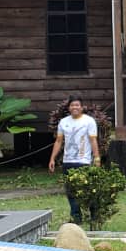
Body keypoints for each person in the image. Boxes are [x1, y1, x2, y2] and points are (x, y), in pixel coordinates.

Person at [48, 95, 101, 224]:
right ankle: (76, 217)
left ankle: (94, 216)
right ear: (69, 107)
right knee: (71, 192)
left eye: (77, 105)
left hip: (83, 161)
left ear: (81, 107)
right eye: (72, 105)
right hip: (68, 162)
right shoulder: (64, 122)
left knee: (88, 190)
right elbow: (59, 141)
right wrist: (52, 159)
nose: (75, 107)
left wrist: (97, 158)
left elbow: (93, 140)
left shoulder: (89, 121)